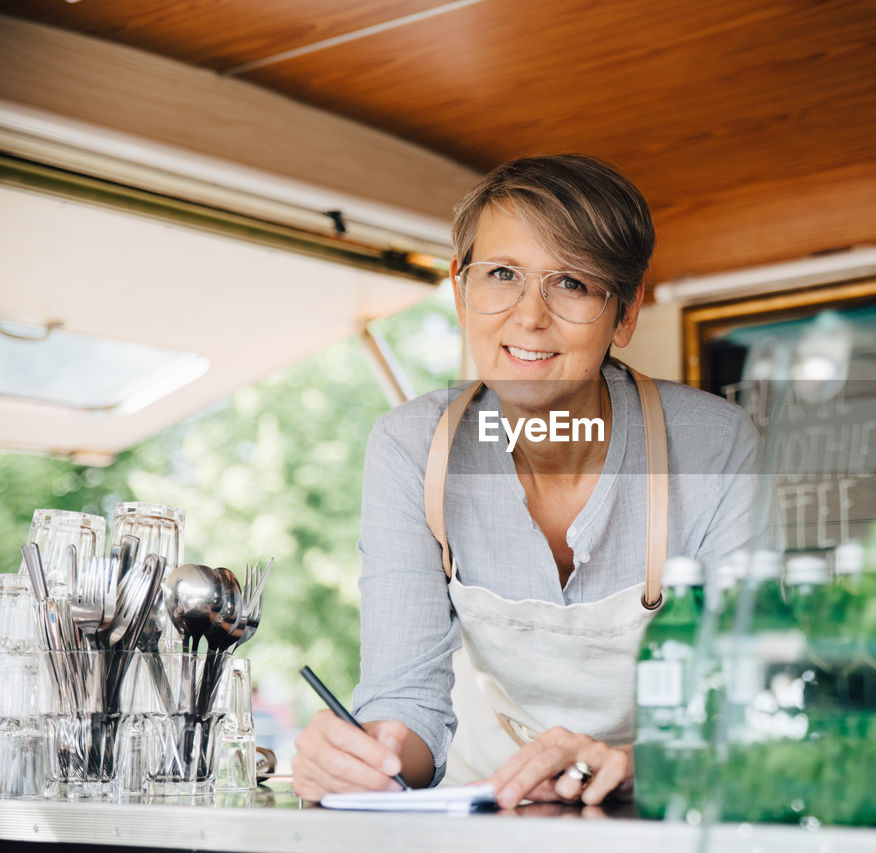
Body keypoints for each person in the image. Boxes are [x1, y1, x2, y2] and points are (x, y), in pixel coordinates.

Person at [293, 154, 760, 808]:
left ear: (624, 314)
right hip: (480, 816)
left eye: (570, 282)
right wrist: (364, 757)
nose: (528, 316)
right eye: (502, 274)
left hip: (667, 814)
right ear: (461, 290)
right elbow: (405, 697)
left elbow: (749, 706)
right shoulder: (412, 448)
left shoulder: (717, 445)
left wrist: (635, 765)